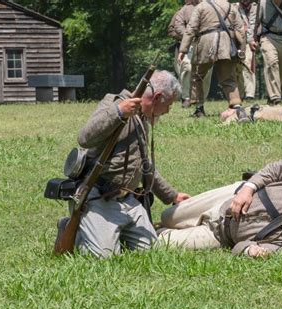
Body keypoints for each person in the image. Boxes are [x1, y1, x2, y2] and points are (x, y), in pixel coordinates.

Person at [63, 70, 191, 258]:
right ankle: (77, 230)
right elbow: (84, 138)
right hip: (100, 197)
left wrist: (172, 195)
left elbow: (144, 166)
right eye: (168, 104)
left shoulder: (141, 118)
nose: (167, 111)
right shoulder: (114, 103)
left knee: (152, 253)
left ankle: (112, 232)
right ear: (157, 97)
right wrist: (119, 113)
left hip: (128, 201)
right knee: (103, 257)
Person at [158, 161, 282, 259]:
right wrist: (248, 189)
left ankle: (142, 228)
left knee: (158, 243)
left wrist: (249, 251)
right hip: (226, 198)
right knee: (167, 217)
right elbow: (278, 167)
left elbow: (238, 247)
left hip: (219, 234)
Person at [179, 0, 248, 119]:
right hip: (226, 45)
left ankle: (199, 108)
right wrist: (241, 51)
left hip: (205, 44)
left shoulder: (201, 7)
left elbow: (191, 28)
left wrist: (183, 49)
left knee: (197, 76)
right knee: (229, 79)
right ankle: (237, 107)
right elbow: (240, 30)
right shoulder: (231, 7)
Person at [250, 0, 282, 105]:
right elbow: (255, 22)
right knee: (271, 62)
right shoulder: (263, 3)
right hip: (268, 37)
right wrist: (251, 39)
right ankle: (275, 97)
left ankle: (271, 95)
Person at [170, 0, 213, 108]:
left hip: (206, 43)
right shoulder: (183, 10)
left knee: (206, 72)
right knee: (187, 69)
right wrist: (189, 36)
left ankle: (201, 98)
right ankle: (186, 97)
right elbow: (173, 28)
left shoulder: (210, 8)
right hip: (188, 44)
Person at [234, 0, 257, 101]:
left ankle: (250, 94)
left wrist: (253, 40)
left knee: (248, 66)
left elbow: (257, 25)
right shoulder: (234, 7)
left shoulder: (256, 7)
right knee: (237, 67)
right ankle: (240, 93)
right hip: (236, 41)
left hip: (250, 42)